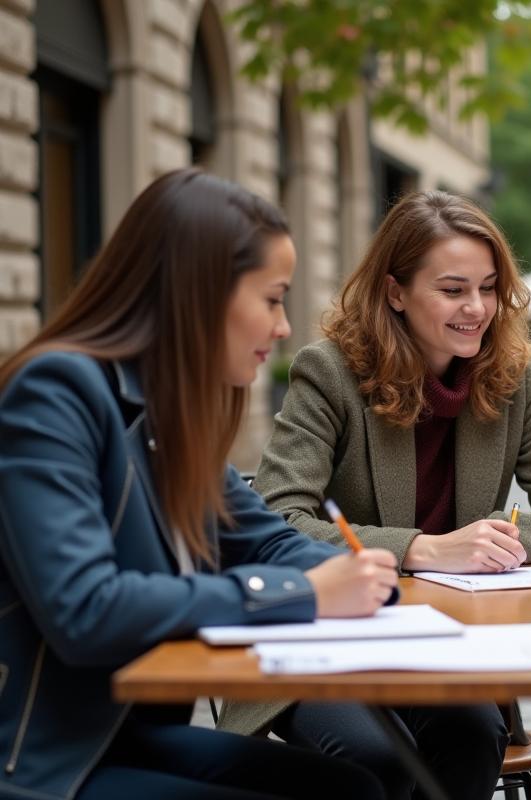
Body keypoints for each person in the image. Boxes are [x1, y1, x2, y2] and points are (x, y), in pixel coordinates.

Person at [0, 169, 398, 800]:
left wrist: (360, 579)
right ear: (201, 291)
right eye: (271, 298)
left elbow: (266, 542)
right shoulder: (58, 393)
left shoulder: (165, 413)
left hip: (113, 734)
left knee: (358, 787)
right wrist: (302, 593)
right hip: (39, 756)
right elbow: (85, 608)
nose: (283, 327)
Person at [219, 189, 531, 799]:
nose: (477, 308)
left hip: (446, 643)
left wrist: (492, 543)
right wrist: (424, 548)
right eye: (453, 290)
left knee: (473, 731)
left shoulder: (514, 373)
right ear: (395, 292)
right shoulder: (330, 373)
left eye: (488, 287)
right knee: (381, 760)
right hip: (329, 642)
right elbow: (274, 519)